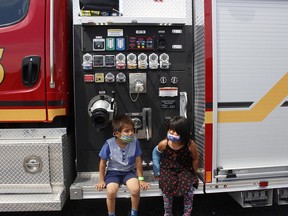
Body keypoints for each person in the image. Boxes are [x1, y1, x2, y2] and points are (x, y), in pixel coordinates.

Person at [95, 114, 150, 216]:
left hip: (129, 172)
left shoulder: (135, 142)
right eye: (126, 131)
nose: (131, 133)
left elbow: (138, 161)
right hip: (113, 173)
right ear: (117, 133)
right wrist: (102, 180)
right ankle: (111, 213)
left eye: (132, 130)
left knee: (135, 189)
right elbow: (102, 163)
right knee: (111, 192)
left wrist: (141, 179)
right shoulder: (109, 144)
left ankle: (134, 212)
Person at [153, 116, 199, 216]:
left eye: (176, 131)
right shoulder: (164, 143)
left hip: (184, 168)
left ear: (183, 132)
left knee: (189, 186)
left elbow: (195, 159)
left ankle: (187, 213)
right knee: (167, 185)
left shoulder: (190, 144)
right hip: (168, 169)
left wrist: (193, 172)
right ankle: (168, 212)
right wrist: (156, 170)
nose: (172, 133)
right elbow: (155, 153)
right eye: (170, 130)